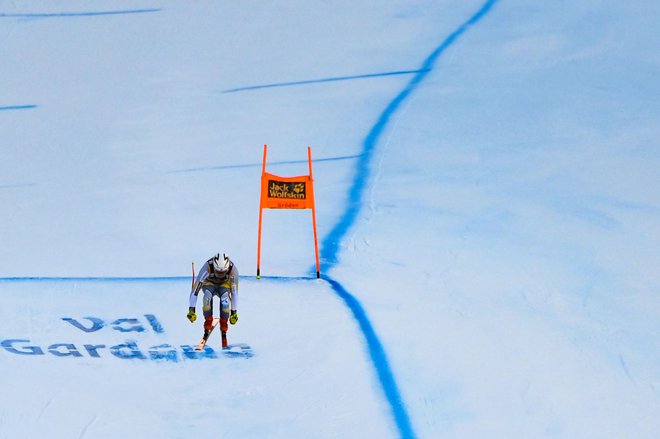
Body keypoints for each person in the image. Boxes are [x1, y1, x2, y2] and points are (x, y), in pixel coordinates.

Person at [187, 253, 239, 348]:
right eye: (218, 272)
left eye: (223, 273)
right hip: (209, 283)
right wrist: (191, 310)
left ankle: (224, 326)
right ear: (214, 267)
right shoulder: (207, 267)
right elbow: (195, 290)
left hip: (224, 285)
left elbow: (234, 293)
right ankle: (208, 322)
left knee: (225, 300)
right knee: (207, 297)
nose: (220, 275)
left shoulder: (233, 270)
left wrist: (234, 312)